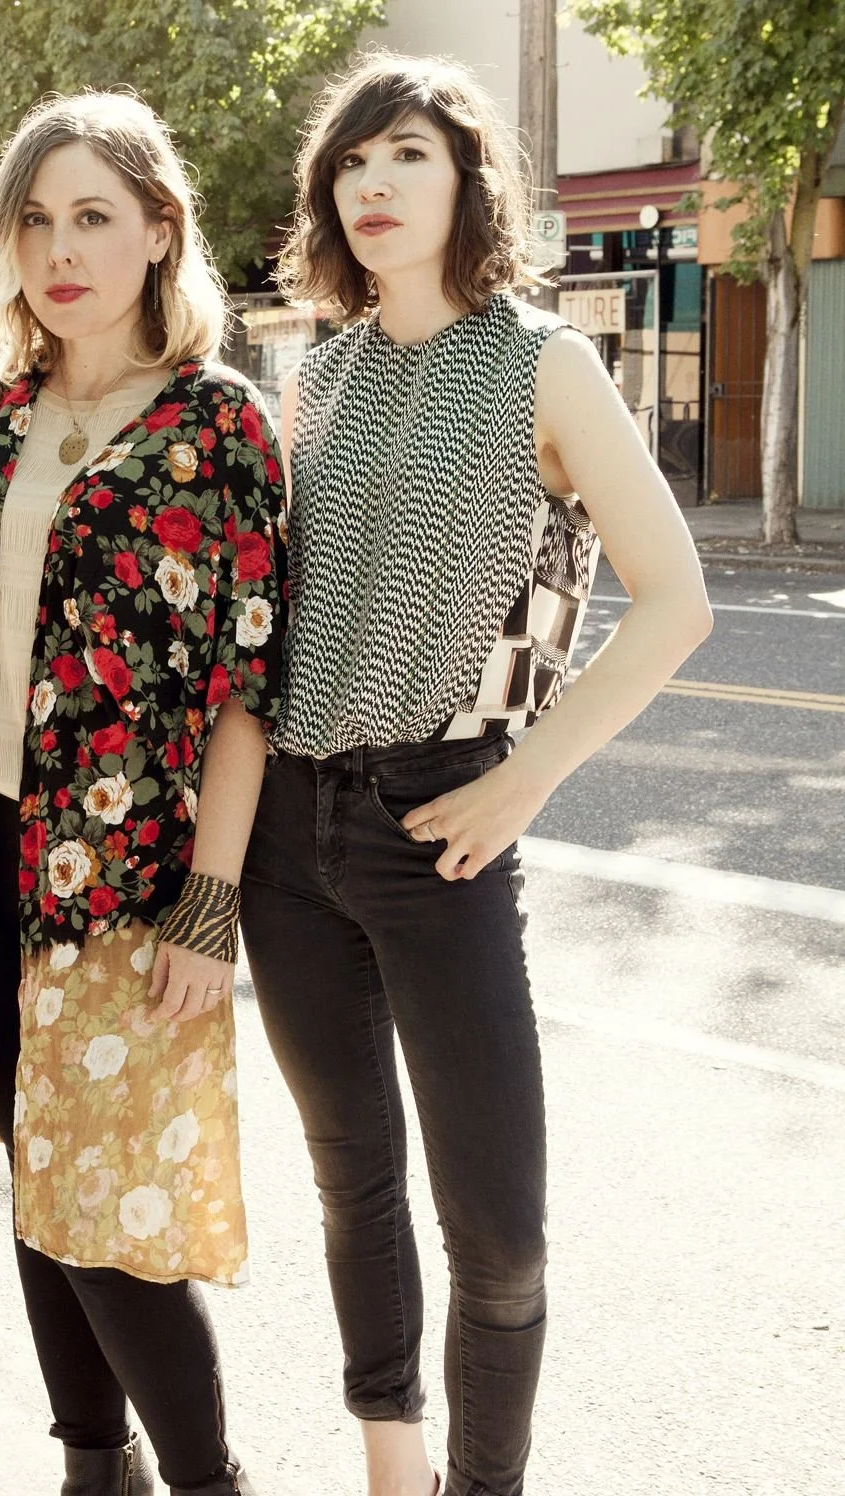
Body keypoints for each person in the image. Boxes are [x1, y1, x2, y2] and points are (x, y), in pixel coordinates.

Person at [240, 52, 713, 1496]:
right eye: (352, 165)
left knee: (498, 1230)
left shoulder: (542, 362)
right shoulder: (312, 372)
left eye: (408, 158)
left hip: (439, 820)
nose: (373, 186)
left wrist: (527, 781)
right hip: (286, 830)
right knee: (350, 1183)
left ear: (466, 181)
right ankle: (396, 1468)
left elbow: (676, 600)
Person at [0, 92, 288, 1496]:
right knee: (37, 1177)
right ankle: (89, 1468)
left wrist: (211, 901)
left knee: (105, 1211)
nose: (61, 246)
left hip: (132, 874)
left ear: (161, 230)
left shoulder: (217, 427)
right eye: (35, 219)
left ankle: (207, 1482)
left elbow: (245, 687)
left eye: (94, 214)